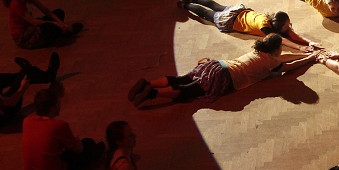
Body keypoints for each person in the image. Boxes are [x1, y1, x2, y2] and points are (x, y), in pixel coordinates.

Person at [128, 33, 318, 107]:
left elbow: (284, 59)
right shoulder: (271, 62)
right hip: (225, 77)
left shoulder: (259, 51)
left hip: (217, 65)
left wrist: (303, 54)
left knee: (183, 79)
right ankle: (153, 93)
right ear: (276, 49)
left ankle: (149, 83)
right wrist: (310, 59)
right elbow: (289, 67)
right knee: (190, 91)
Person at [176, 0, 322, 52]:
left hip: (238, 11)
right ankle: (187, 4)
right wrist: (299, 47)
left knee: (216, 6)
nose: (289, 27)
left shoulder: (271, 20)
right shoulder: (264, 26)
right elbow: (282, 39)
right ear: (278, 26)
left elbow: (290, 33)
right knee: (207, 14)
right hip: (231, 20)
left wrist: (309, 42)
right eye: (287, 25)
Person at [22, 89, 103, 170]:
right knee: (88, 144)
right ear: (53, 107)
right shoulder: (58, 125)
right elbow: (79, 150)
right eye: (58, 103)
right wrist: (76, 140)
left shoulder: (27, 121)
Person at [1, 0, 83, 49]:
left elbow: (45, 10)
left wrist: (61, 23)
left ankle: (61, 33)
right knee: (49, 26)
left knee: (59, 13)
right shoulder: (15, 4)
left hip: (31, 27)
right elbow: (33, 21)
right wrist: (55, 23)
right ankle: (65, 32)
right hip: (24, 36)